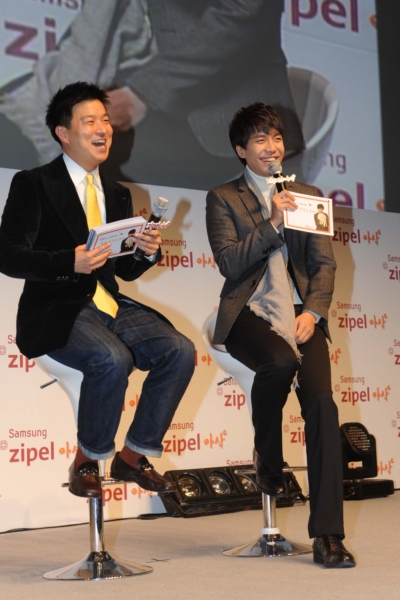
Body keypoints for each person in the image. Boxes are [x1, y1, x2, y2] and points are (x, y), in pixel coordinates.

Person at [0, 82, 194, 499]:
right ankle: (86, 460)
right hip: (56, 305)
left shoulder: (118, 193)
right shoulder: (34, 183)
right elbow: (9, 256)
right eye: (89, 121)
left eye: (105, 120)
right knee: (111, 358)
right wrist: (66, 261)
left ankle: (133, 455)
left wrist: (145, 250)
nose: (103, 129)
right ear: (63, 133)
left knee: (179, 351)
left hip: (108, 302)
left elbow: (124, 270)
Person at [206, 103, 355, 569]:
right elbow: (230, 264)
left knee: (322, 405)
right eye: (260, 140)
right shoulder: (223, 197)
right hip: (248, 312)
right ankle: (269, 460)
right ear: (241, 150)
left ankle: (328, 535)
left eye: (276, 138)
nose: (271, 148)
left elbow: (323, 264)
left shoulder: (306, 195)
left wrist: (313, 311)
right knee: (280, 361)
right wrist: (272, 222)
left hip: (300, 314)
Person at [0, 0, 304, 190]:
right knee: (15, 129)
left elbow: (244, 12)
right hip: (133, 82)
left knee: (82, 149)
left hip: (214, 113)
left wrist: (141, 94)